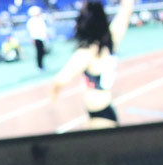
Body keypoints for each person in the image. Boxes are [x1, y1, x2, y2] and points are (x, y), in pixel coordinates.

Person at [51, 0, 135, 128]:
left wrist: (54, 96)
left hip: (99, 114)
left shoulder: (87, 52)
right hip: (104, 108)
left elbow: (60, 80)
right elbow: (126, 11)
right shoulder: (111, 39)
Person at [26, 6, 48, 71]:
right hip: (36, 38)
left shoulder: (40, 19)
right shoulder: (31, 21)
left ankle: (42, 65)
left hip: (42, 38)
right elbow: (31, 31)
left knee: (42, 52)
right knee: (39, 52)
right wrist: (33, 39)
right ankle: (39, 66)